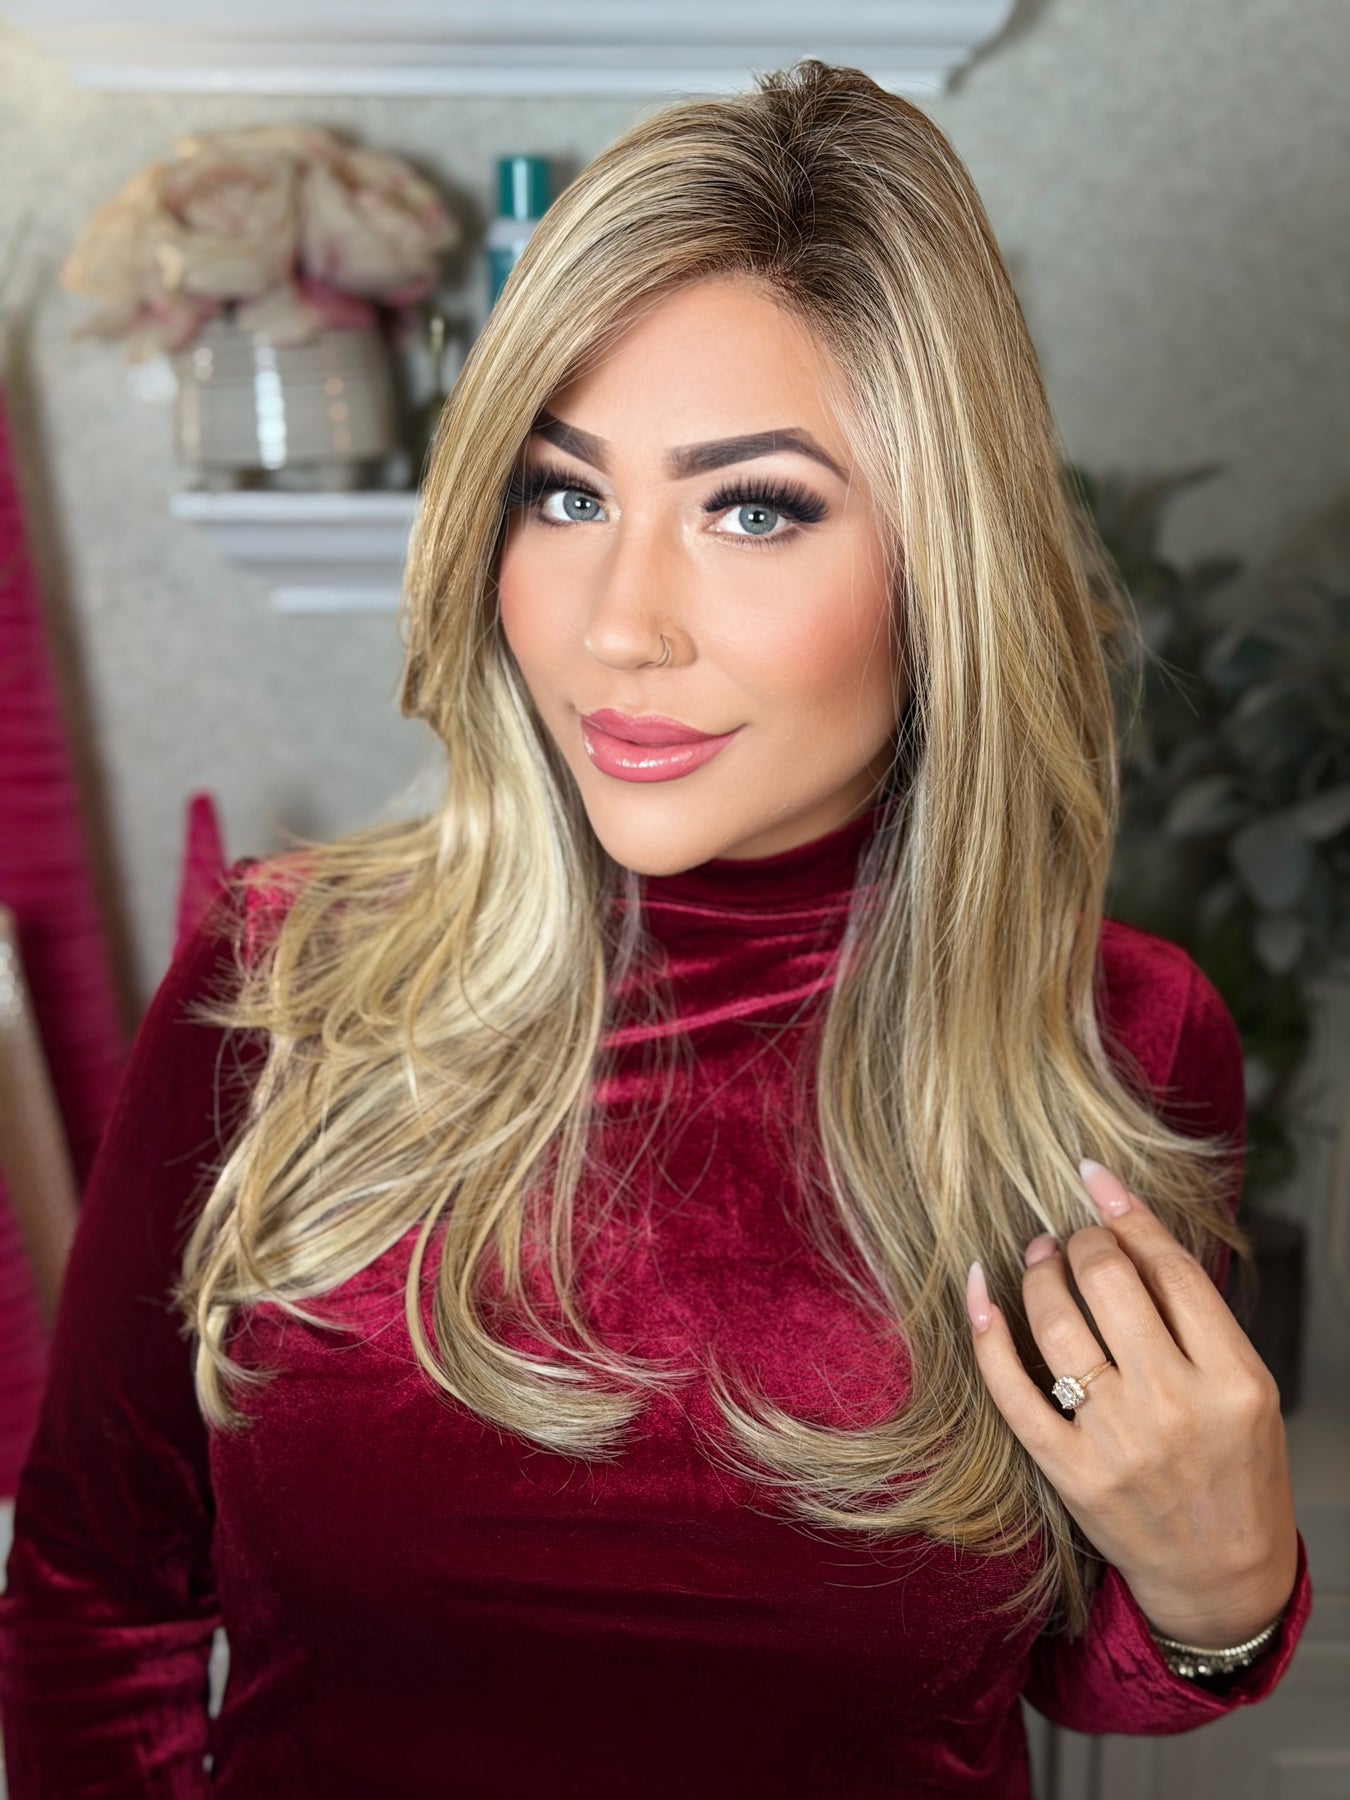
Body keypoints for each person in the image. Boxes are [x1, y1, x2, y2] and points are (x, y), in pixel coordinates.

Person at [0, 59, 1310, 1798]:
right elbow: (95, 1594)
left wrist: (1223, 1588)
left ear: (943, 565)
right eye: (563, 494)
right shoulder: (283, 979)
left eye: (751, 509)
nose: (619, 625)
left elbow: (1072, 1664)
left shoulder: (1119, 1042)